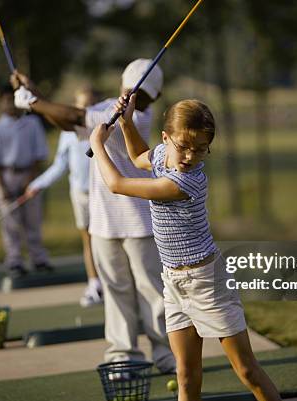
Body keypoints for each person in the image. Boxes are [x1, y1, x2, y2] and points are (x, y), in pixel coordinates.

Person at [89, 95, 283, 401]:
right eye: (184, 146)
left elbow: (117, 184)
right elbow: (140, 155)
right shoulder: (166, 155)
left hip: (207, 283)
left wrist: (98, 144)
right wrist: (125, 122)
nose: (190, 156)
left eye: (200, 149)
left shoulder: (186, 181)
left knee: (246, 370)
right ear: (166, 138)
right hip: (173, 283)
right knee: (186, 375)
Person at [10, 59, 176, 373]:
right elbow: (68, 122)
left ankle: (165, 354)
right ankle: (123, 355)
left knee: (151, 291)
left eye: (143, 97)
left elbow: (74, 115)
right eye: (134, 93)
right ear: (125, 87)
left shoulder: (137, 117)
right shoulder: (104, 108)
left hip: (139, 221)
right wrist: (33, 94)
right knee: (115, 291)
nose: (138, 100)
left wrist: (34, 103)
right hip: (103, 221)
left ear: (153, 99)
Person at [25, 87, 103, 307]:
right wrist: (37, 184)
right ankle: (94, 285)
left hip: (103, 194)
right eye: (80, 106)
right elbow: (60, 165)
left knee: (105, 241)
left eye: (89, 105)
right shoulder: (67, 134)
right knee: (87, 240)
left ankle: (110, 284)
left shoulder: (101, 128)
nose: (84, 109)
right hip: (80, 193)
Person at [0, 84, 53, 278]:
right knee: (10, 224)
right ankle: (14, 261)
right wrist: (1, 187)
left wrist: (29, 180)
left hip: (30, 176)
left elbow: (40, 155)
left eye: (12, 100)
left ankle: (38, 258)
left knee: (33, 220)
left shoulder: (32, 123)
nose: (10, 105)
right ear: (0, 103)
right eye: (5, 100)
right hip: (7, 177)